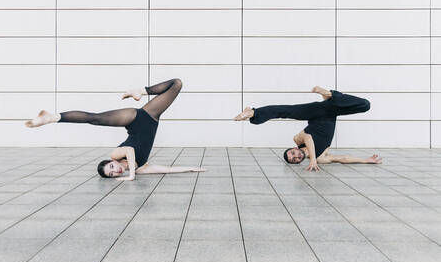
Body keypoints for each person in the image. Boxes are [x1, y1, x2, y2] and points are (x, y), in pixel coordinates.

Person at [25, 79, 205, 180]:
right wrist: (190, 169)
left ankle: (52, 117)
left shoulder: (115, 155)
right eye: (112, 173)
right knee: (177, 84)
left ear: (110, 161)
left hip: (134, 119)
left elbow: (130, 150)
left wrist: (131, 175)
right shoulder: (141, 168)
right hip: (150, 118)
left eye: (111, 167)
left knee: (95, 118)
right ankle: (140, 90)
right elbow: (165, 169)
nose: (115, 170)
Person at [234, 86, 382, 171]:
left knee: (285, 111)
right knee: (365, 105)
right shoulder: (320, 157)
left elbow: (309, 137)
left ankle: (252, 112)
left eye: (292, 153)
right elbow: (342, 158)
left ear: (293, 148)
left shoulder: (298, 140)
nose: (296, 156)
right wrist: (366, 160)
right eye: (294, 160)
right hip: (330, 112)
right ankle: (329, 96)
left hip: (314, 112)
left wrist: (313, 162)